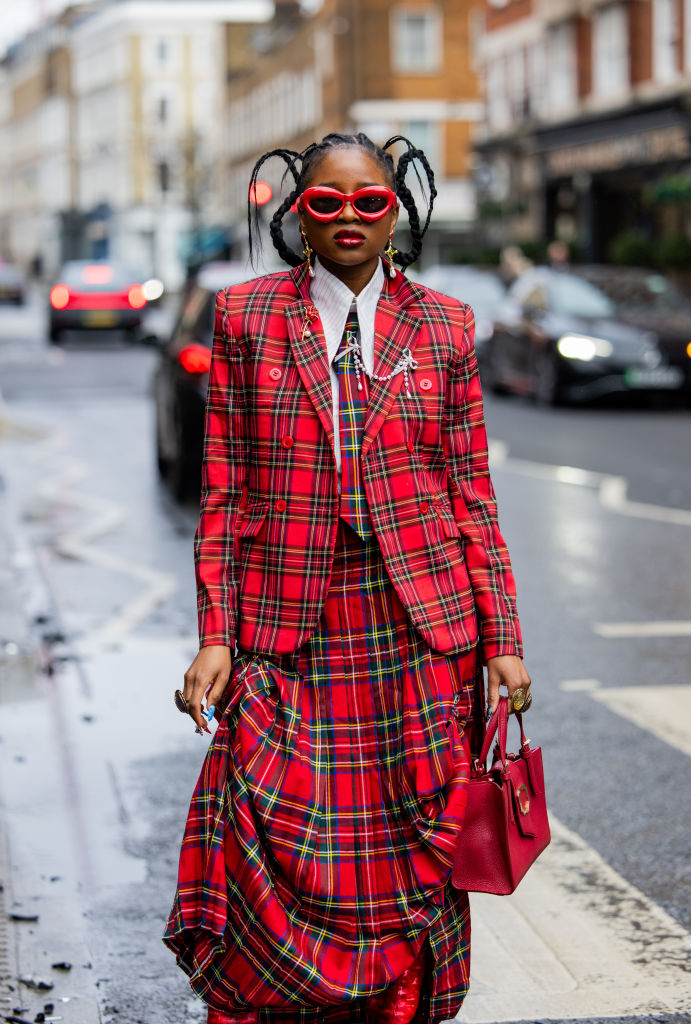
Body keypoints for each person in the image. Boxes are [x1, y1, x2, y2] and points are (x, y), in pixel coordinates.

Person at [163, 133, 530, 1024]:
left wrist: (503, 640)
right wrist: (215, 634)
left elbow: (470, 494)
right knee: (279, 826)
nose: (348, 218)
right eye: (326, 203)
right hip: (289, 626)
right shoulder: (245, 316)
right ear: (301, 214)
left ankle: (400, 1004)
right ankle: (284, 1001)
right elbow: (225, 490)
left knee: (411, 842)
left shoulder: (446, 324)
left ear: (393, 211)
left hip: (419, 628)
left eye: (369, 202)